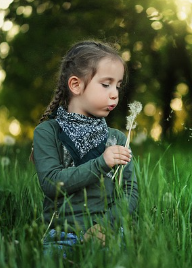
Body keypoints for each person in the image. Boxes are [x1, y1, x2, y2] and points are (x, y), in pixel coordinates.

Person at [31, 40, 139, 256]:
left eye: (118, 85)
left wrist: (106, 225)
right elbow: (52, 184)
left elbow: (130, 191)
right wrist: (102, 163)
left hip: (108, 231)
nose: (115, 94)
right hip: (62, 233)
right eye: (106, 84)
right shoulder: (47, 132)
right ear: (76, 85)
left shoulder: (117, 138)